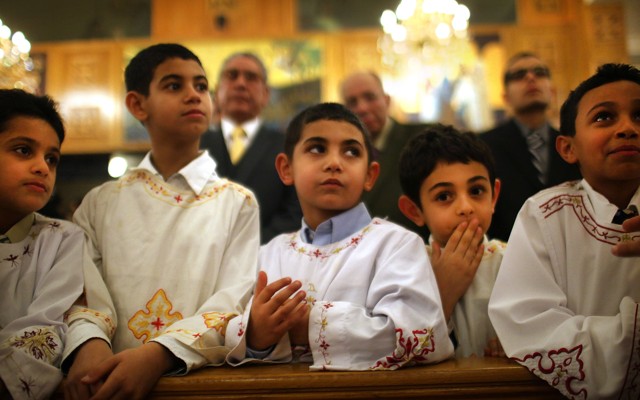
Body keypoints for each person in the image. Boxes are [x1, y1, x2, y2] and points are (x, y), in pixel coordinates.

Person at [62, 43, 260, 399]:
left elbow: (233, 300)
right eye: (174, 85)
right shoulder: (101, 202)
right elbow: (82, 290)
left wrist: (158, 355)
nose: (193, 95)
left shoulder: (236, 203)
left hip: (195, 382)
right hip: (104, 376)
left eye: (201, 86)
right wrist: (88, 343)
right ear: (138, 105)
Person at [224, 103, 453, 370]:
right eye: (317, 149)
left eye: (351, 152)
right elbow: (229, 328)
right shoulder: (270, 253)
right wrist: (257, 337)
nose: (334, 163)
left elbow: (421, 334)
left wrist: (307, 327)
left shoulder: (395, 245)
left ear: (370, 175)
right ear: (286, 169)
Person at [488, 63, 640, 398]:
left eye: (639, 116)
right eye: (604, 117)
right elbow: (531, 323)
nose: (628, 128)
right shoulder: (544, 214)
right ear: (568, 148)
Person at [0, 89, 88, 399]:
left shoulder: (62, 238)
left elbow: (46, 329)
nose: (42, 167)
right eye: (24, 150)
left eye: (52, 158)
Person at [397, 125, 506, 358]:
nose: (466, 207)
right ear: (414, 211)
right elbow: (402, 352)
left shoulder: (516, 260)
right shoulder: (404, 269)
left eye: (476, 190)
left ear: (494, 196)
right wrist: (442, 291)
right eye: (444, 196)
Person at [200, 52, 301, 243]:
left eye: (251, 77)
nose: (240, 84)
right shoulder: (194, 145)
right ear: (217, 90)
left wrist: (249, 249)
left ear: (266, 94)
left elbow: (294, 211)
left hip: (266, 262)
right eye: (231, 76)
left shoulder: (288, 147)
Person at [480, 52, 581, 241]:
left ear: (552, 90)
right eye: (518, 75)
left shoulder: (575, 144)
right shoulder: (483, 146)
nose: (530, 77)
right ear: (505, 97)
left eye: (540, 72)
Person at [340, 71, 429, 237]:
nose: (362, 108)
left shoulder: (424, 140)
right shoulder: (338, 157)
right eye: (352, 102)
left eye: (370, 97)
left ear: (387, 100)